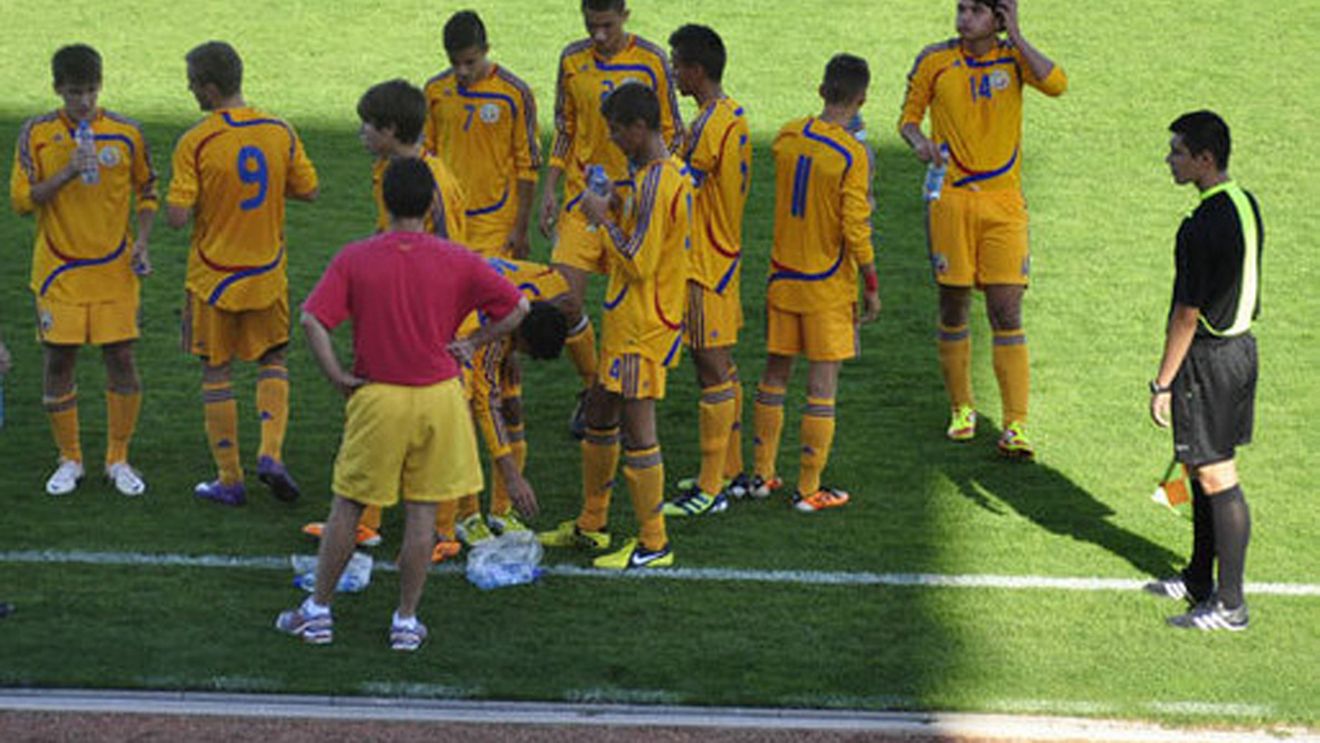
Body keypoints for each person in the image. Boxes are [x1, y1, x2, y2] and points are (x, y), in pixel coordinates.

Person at [277, 157, 531, 651]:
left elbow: (312, 321)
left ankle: (318, 612)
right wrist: (475, 342)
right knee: (422, 514)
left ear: (385, 200)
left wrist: (336, 376)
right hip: (441, 400)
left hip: (379, 399)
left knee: (348, 506)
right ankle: (405, 622)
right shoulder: (457, 258)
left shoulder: (356, 258)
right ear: (431, 202)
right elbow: (518, 308)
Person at [300, 79, 467, 550]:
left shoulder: (432, 181)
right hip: (394, 307)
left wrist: (445, 323)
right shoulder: (389, 170)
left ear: (391, 129)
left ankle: (444, 530)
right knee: (378, 408)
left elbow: (454, 253)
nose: (360, 133)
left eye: (367, 125)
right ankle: (366, 519)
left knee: (431, 424)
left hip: (430, 321)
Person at [898, 0, 1067, 458]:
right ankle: (962, 408)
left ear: (997, 18)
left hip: (1003, 206)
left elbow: (1057, 83)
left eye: (975, 10)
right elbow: (908, 119)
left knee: (1006, 310)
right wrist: (920, 145)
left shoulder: (1015, 60)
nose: (963, 18)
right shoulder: (934, 60)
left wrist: (1018, 32)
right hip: (950, 201)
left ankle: (1016, 425)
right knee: (953, 305)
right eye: (960, 8)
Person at [537, 83, 691, 569]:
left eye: (617, 130)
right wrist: (616, 208)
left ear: (640, 127)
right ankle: (592, 523)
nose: (612, 138)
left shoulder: (654, 182)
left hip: (641, 324)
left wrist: (602, 219)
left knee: (638, 430)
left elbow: (637, 261)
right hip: (635, 317)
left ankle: (654, 543)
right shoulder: (658, 176)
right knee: (600, 412)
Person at [166, 41, 319, 505]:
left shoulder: (196, 140)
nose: (191, 91)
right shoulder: (280, 130)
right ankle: (270, 452)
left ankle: (230, 479)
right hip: (268, 274)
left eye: (193, 84)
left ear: (210, 88)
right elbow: (308, 190)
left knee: (217, 372)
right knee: (273, 360)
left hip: (213, 279)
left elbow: (176, 216)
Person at [10, 44, 157, 497]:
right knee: (59, 360)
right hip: (59, 273)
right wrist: (68, 172)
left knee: (122, 358)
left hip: (115, 271)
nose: (85, 101)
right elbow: (21, 201)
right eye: (76, 92)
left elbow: (147, 189)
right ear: (58, 89)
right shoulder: (36, 134)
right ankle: (70, 458)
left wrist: (144, 243)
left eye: (92, 90)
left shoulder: (126, 133)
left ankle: (118, 458)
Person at [538, 0, 683, 438]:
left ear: (625, 14)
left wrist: (656, 188)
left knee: (634, 305)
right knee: (564, 302)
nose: (599, 36)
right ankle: (593, 391)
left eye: (606, 25)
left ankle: (619, 396)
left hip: (634, 204)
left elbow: (672, 130)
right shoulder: (572, 59)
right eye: (591, 26)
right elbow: (565, 127)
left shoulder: (652, 60)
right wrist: (551, 184)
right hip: (585, 201)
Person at [1144, 111, 1261, 632]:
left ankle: (1230, 605)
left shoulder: (1199, 227)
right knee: (1198, 469)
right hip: (1241, 351)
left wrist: (1163, 382)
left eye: (1176, 152)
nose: (1169, 160)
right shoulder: (1245, 203)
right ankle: (1197, 579)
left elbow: (1186, 314)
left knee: (1216, 474)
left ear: (1203, 159)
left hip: (1210, 360)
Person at [751, 54, 881, 512]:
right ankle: (809, 490)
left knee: (774, 376)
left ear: (821, 89)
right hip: (827, 287)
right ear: (861, 98)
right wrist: (870, 281)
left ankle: (762, 475)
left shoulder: (787, 135)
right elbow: (855, 225)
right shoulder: (852, 155)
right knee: (821, 387)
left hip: (782, 277)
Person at [660, 24, 753, 517]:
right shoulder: (727, 114)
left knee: (711, 371)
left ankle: (711, 489)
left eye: (677, 64)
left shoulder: (708, 127)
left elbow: (679, 190)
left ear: (696, 70)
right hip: (722, 257)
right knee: (722, 369)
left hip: (704, 265)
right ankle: (733, 472)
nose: (674, 71)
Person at [442, 258, 572, 551]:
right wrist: (514, 477)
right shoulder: (495, 335)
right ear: (522, 339)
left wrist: (509, 352)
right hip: (450, 337)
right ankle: (464, 518)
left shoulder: (525, 308)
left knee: (511, 408)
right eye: (529, 353)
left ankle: (500, 512)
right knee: (461, 419)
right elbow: (486, 406)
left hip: (466, 322)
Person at [424, 10, 541, 258]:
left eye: (470, 62)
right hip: (448, 219)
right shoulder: (435, 91)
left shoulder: (514, 93)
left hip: (495, 224)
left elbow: (527, 165)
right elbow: (426, 155)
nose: (462, 71)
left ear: (486, 50)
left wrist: (521, 229)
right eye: (454, 63)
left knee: (489, 295)